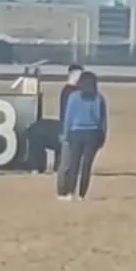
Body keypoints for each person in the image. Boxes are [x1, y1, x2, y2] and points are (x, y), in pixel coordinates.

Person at [59, 71, 107, 201]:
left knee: (73, 164)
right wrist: (102, 136)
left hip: (76, 132)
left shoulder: (74, 97)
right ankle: (82, 194)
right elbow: (102, 120)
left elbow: (68, 117)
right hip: (92, 133)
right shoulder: (99, 98)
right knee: (87, 165)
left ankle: (70, 192)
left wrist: (65, 133)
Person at [56, 64, 83, 196]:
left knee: (73, 162)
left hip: (75, 130)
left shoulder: (75, 91)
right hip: (68, 129)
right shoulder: (68, 92)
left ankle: (69, 189)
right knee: (65, 163)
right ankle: (62, 190)